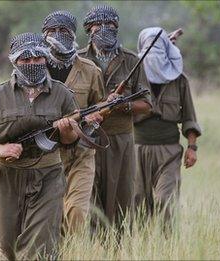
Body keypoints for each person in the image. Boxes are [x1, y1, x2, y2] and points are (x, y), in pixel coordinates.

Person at [0, 32, 79, 260]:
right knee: (9, 244)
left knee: (41, 245)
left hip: (48, 176)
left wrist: (67, 130)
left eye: (37, 58)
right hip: (8, 176)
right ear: (15, 61)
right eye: (25, 60)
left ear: (46, 58)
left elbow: (71, 139)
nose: (32, 63)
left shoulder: (62, 94)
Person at [78, 5, 152, 228]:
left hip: (120, 141)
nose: (103, 29)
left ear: (116, 27)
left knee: (121, 201)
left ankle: (118, 248)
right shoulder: (77, 60)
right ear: (88, 29)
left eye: (109, 25)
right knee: (88, 201)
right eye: (97, 25)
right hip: (85, 140)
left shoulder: (131, 60)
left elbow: (147, 105)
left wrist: (122, 105)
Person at [133, 27, 202, 233]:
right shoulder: (132, 77)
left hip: (169, 151)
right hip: (137, 149)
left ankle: (167, 247)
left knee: (166, 200)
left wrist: (192, 148)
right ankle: (142, 248)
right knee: (138, 204)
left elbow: (190, 117)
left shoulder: (179, 80)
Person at [42, 10, 105, 234]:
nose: (58, 35)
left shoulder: (89, 70)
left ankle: (74, 253)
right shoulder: (33, 69)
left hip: (81, 154)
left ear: (73, 34)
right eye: (52, 30)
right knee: (51, 216)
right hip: (46, 156)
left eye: (64, 30)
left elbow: (100, 106)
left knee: (77, 212)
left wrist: (94, 118)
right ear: (43, 34)